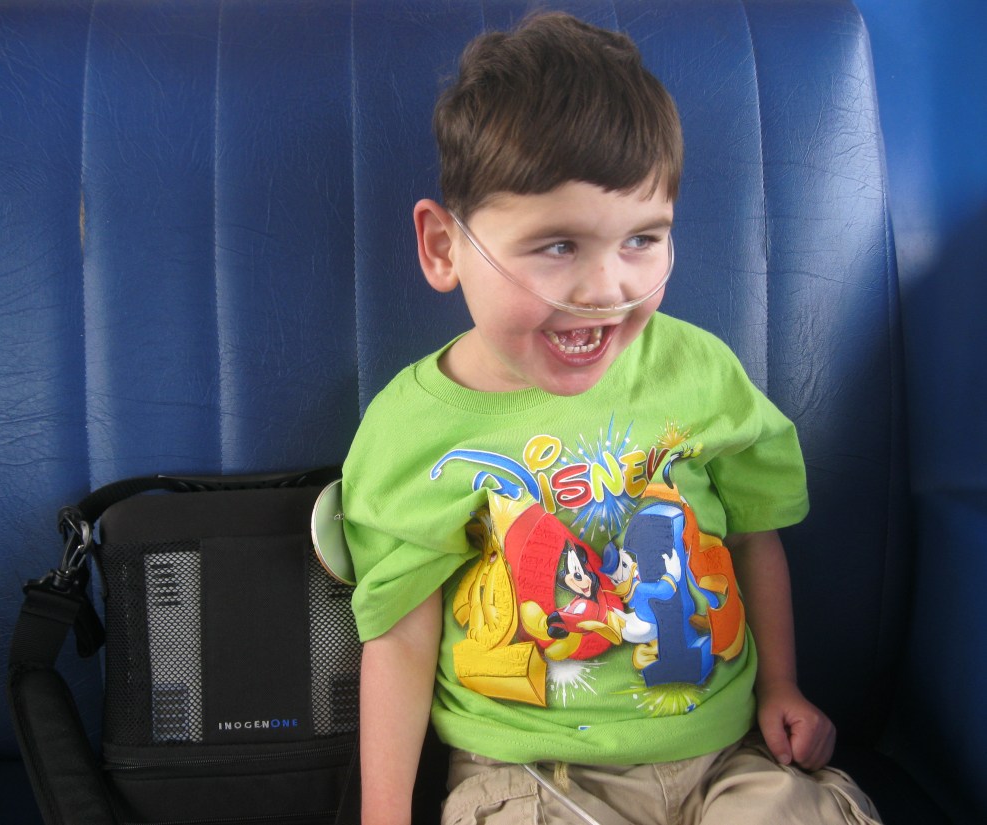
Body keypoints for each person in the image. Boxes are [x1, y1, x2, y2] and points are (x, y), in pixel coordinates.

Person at [341, 12, 881, 825]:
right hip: (532, 772)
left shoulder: (698, 371)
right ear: (444, 247)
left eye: (642, 239)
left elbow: (750, 531)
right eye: (557, 245)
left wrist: (780, 684)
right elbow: (401, 638)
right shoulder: (415, 428)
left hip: (724, 756)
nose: (606, 287)